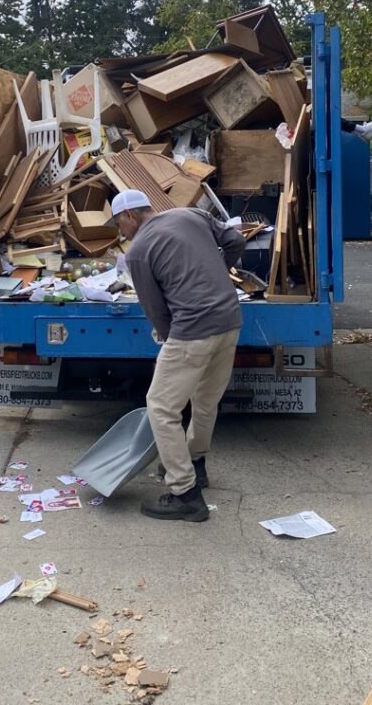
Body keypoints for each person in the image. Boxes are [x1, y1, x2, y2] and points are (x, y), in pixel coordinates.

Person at [111, 189, 245, 522]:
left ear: (130, 216)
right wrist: (216, 271)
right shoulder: (190, 214)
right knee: (205, 400)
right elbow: (236, 241)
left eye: (119, 224)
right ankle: (196, 465)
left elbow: (155, 309)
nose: (120, 232)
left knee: (160, 407)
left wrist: (172, 339)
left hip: (193, 330)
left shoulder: (138, 251)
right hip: (230, 320)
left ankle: (185, 493)